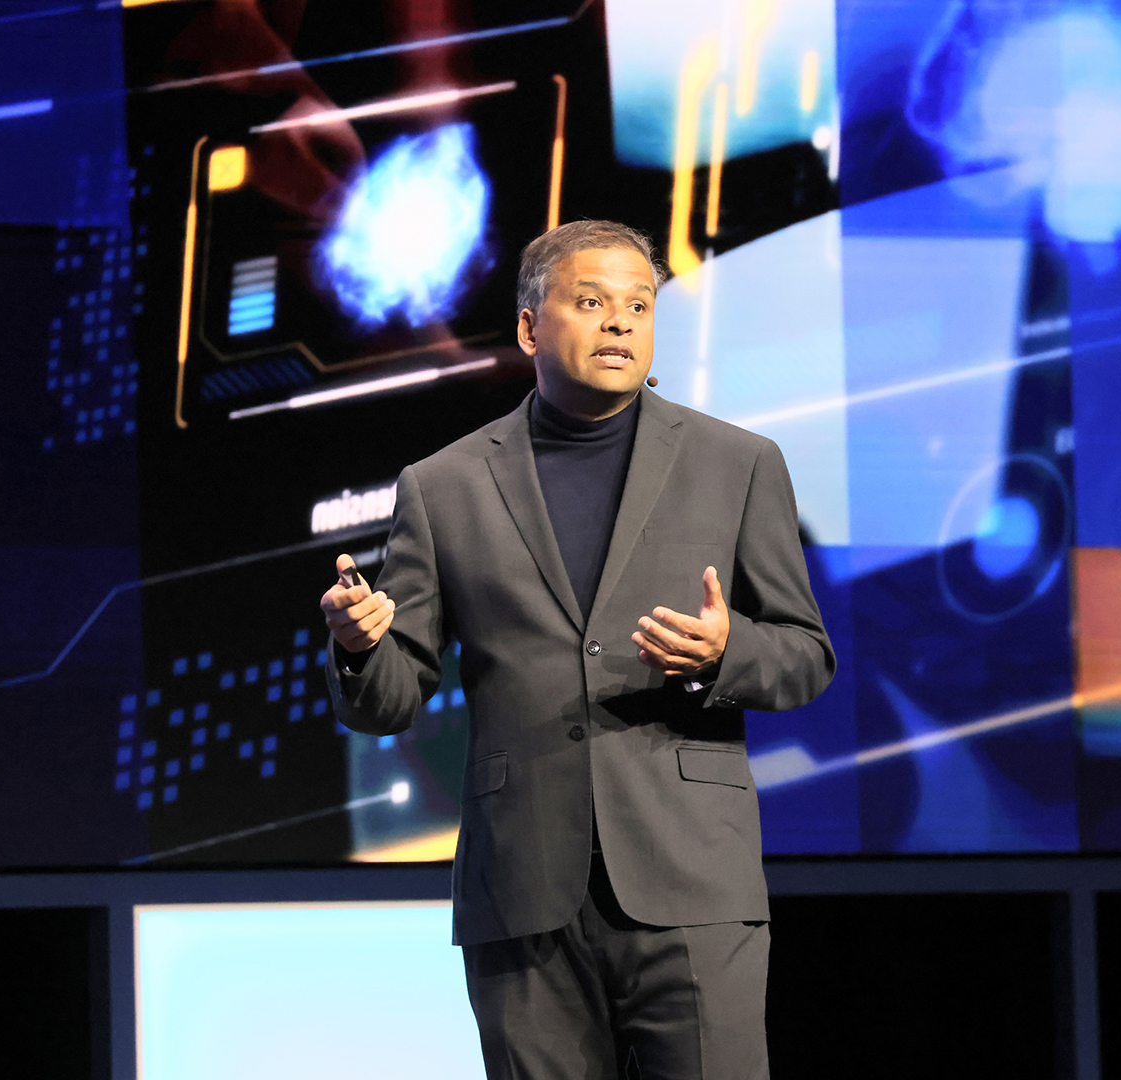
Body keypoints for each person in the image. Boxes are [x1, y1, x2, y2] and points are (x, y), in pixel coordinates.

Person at [320, 219, 836, 1080]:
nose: (620, 322)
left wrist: (722, 653)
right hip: (522, 892)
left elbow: (804, 655)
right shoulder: (442, 486)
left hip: (693, 882)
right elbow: (392, 698)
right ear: (530, 328)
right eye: (591, 302)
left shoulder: (738, 463)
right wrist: (357, 646)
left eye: (639, 304)